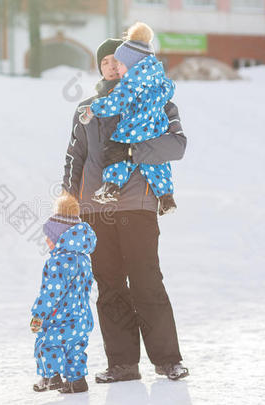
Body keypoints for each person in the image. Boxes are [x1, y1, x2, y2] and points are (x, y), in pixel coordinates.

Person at [60, 33, 189, 382]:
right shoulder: (86, 110)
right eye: (105, 61)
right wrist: (68, 203)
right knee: (110, 285)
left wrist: (132, 152)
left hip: (138, 204)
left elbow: (176, 146)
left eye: (117, 60)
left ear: (130, 65)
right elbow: (76, 156)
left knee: (146, 280)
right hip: (94, 209)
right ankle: (122, 363)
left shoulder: (157, 101)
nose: (111, 66)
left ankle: (167, 360)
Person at [78, 22, 177, 215]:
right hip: (156, 129)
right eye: (107, 63)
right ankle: (166, 197)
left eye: (120, 64)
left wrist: (93, 109)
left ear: (133, 64)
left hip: (134, 128)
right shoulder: (158, 78)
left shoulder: (131, 83)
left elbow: (115, 103)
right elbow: (168, 89)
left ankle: (111, 186)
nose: (117, 68)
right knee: (156, 163)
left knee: (117, 150)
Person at [30, 193, 97, 393]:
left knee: (47, 344)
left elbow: (50, 293)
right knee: (75, 349)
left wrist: (38, 314)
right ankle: (77, 382)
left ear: (60, 237)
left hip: (61, 319)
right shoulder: (83, 259)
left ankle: (51, 378)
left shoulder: (57, 262)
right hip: (82, 319)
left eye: (49, 237)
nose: (47, 241)